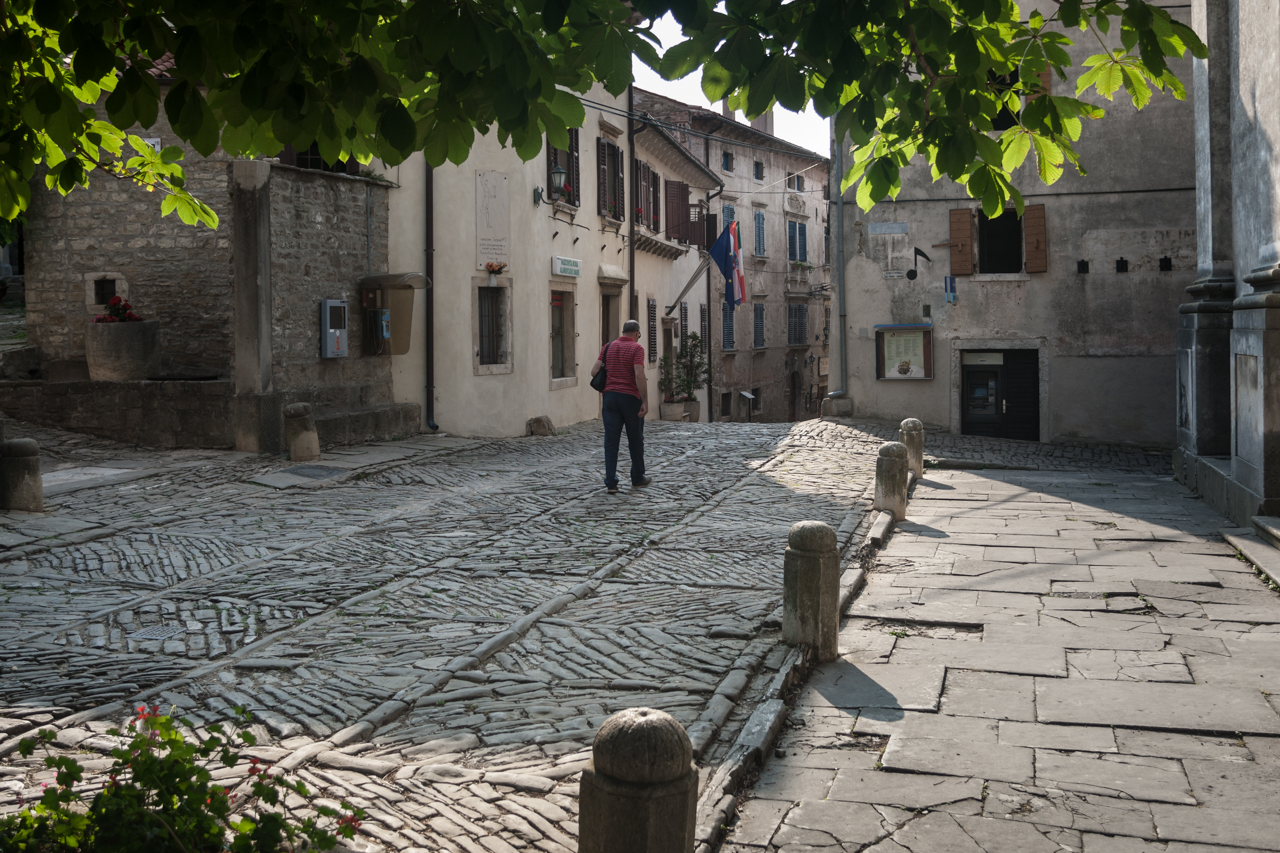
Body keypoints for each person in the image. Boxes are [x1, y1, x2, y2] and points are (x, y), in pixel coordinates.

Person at [591, 319, 651, 494]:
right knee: (635, 439)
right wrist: (645, 401)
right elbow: (639, 374)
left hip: (610, 399)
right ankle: (638, 477)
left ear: (623, 331)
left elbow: (594, 372)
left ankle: (611, 482)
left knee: (611, 442)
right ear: (637, 333)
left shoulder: (608, 347)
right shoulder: (637, 348)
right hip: (630, 398)